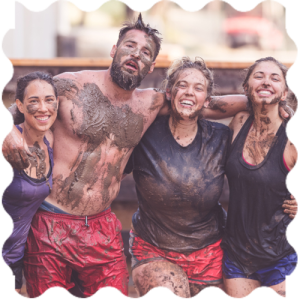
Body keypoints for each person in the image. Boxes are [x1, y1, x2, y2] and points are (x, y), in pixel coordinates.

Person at [0, 15, 293, 298]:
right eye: (130, 46)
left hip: (101, 225)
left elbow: (207, 105)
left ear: (151, 65)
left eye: (145, 52)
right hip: (53, 222)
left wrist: (264, 99)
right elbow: (30, 101)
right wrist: (9, 129)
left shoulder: (150, 103)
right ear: (114, 50)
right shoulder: (70, 85)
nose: (136, 54)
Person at [123, 57, 297, 299]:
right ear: (169, 92)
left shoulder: (222, 136)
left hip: (214, 251)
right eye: (182, 85)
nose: (189, 92)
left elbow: (262, 171)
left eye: (198, 88)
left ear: (207, 100)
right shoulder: (145, 132)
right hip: (156, 248)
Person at [221, 57, 297, 299]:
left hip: (282, 255)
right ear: (246, 87)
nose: (266, 81)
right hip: (237, 254)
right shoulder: (239, 122)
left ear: (284, 92)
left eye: (275, 78)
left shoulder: (291, 139)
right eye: (259, 76)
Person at [1, 72, 58, 295]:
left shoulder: (50, 139)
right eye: (33, 101)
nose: (43, 108)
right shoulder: (8, 145)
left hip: (14, 258)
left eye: (49, 99)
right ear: (20, 106)